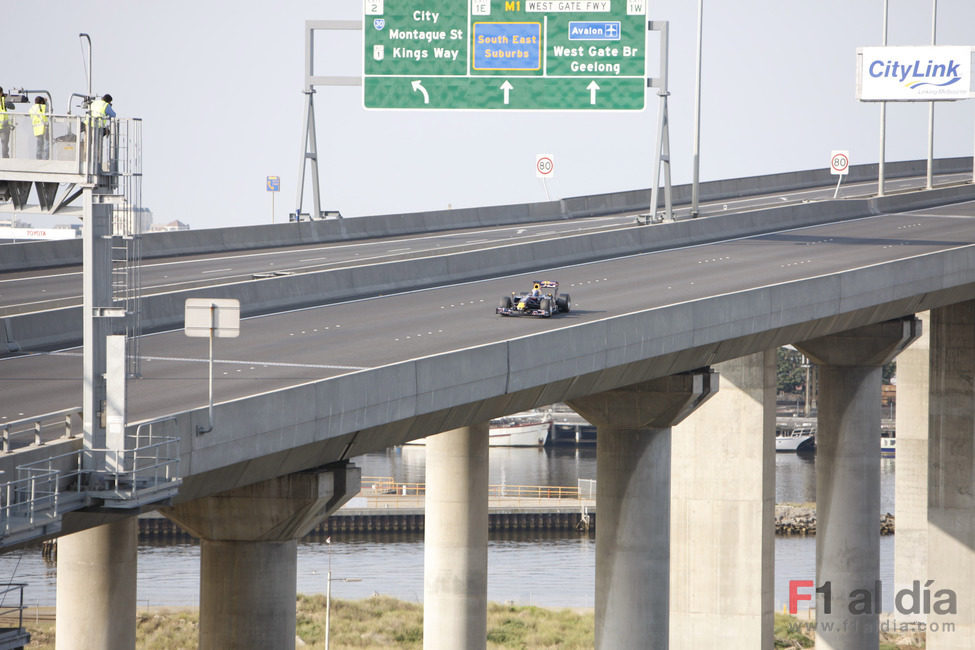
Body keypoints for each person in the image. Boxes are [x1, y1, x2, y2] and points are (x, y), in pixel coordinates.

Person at [0, 87, 11, 158]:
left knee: (4, 144)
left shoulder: (4, 100)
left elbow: (12, 106)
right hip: (4, 125)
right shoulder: (4, 99)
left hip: (4, 126)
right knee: (4, 144)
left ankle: (5, 158)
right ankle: (5, 158)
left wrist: (7, 99)